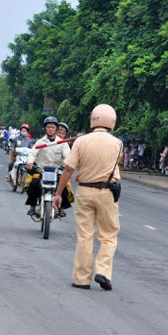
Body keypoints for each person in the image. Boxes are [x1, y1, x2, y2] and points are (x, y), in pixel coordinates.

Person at [53, 104, 122, 291]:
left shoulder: (81, 142)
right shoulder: (117, 144)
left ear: (93, 120)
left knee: (85, 236)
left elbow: (68, 169)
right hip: (107, 193)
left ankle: (81, 279)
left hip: (84, 191)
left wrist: (58, 193)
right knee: (108, 236)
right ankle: (103, 272)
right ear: (112, 122)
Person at [25, 116, 71, 217]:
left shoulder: (63, 143)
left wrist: (67, 165)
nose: (50, 129)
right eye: (48, 127)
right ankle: (32, 206)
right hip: (41, 171)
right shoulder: (40, 142)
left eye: (52, 127)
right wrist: (30, 162)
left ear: (56, 129)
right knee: (33, 184)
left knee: (64, 187)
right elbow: (33, 153)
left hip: (57, 171)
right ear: (45, 128)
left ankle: (62, 208)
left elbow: (68, 156)